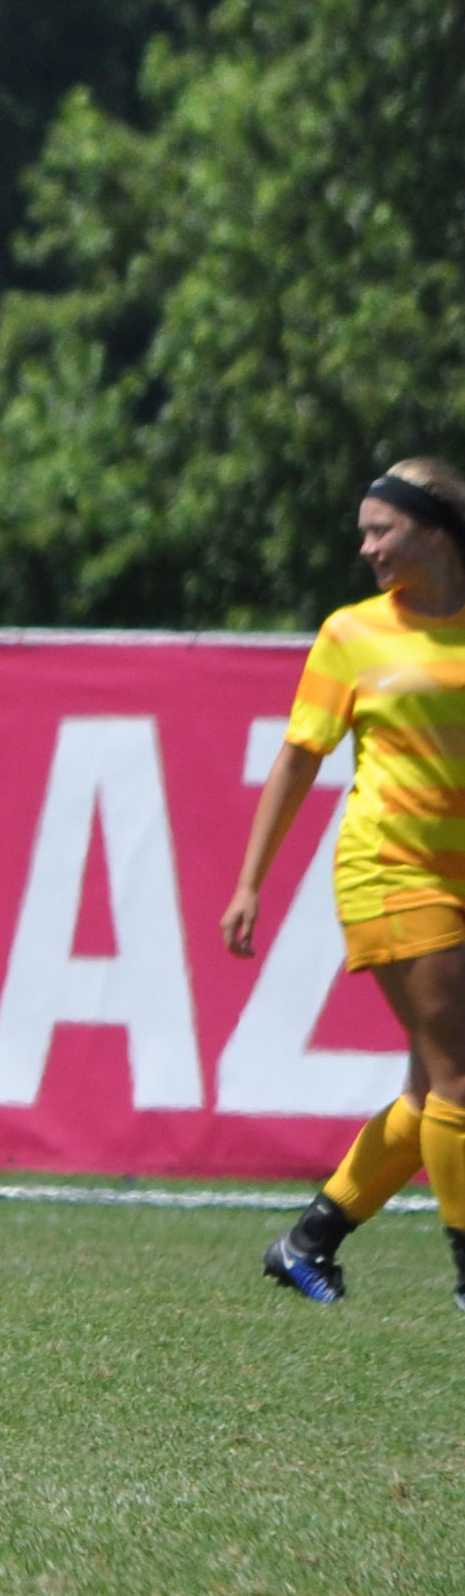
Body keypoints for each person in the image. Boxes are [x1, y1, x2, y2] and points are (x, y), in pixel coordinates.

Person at [226, 455, 465, 1306]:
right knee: (460, 1075)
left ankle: (307, 1241)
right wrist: (251, 880)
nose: (366, 547)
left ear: (435, 531)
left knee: (429, 1091)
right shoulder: (352, 635)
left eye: (381, 529)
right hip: (390, 867)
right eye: (364, 531)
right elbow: (298, 759)